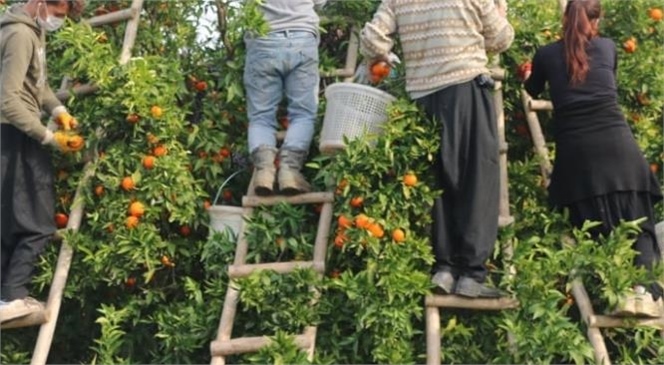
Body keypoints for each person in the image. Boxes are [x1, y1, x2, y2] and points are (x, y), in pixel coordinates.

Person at [360, 0, 514, 297]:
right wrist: (500, 10)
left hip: (422, 97)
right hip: (465, 87)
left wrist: (389, 58)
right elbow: (501, 39)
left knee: (438, 181)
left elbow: (371, 40)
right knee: (477, 180)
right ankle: (471, 273)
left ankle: (443, 269)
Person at [524, 0, 663, 317]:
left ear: (564, 19)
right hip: (619, 148)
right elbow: (599, 80)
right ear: (596, 21)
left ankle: (619, 293)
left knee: (595, 227)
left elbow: (531, 89)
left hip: (578, 157)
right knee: (637, 224)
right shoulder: (609, 47)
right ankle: (642, 294)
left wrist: (529, 72)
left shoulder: (546, 54)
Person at [0, 0, 85, 323]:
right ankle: (12, 295)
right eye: (58, 14)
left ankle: (5, 296)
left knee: (8, 219)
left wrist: (58, 111)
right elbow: (8, 99)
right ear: (39, 3)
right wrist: (48, 137)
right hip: (15, 133)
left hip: (13, 132)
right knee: (38, 222)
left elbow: (38, 84)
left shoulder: (32, 30)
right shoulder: (21, 36)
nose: (58, 21)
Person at [243, 0, 326, 196]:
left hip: (262, 39)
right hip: (301, 37)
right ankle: (289, 170)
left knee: (260, 117)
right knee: (303, 114)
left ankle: (264, 170)